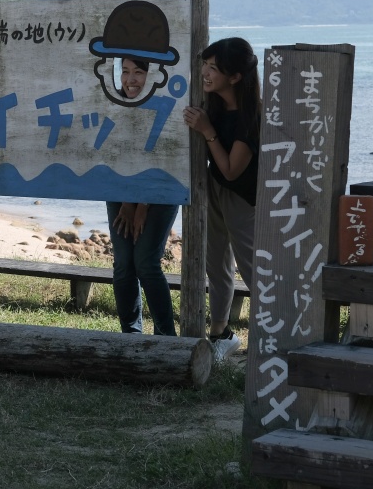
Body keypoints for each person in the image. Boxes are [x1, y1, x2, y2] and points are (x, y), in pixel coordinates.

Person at [182, 38, 260, 363]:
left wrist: (207, 131)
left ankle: (270, 337)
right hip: (213, 191)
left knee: (252, 268)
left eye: (213, 68)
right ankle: (220, 334)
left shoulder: (252, 115)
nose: (205, 72)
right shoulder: (210, 103)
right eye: (205, 65)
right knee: (216, 264)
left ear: (236, 77)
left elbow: (230, 170)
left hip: (244, 197)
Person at [106, 57, 179, 337]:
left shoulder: (164, 105)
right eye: (125, 72)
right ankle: (131, 335)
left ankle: (166, 337)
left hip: (160, 190)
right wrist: (127, 201)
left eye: (139, 72)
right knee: (124, 263)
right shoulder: (112, 103)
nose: (130, 79)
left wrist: (143, 203)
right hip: (121, 190)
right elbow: (114, 153)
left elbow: (163, 156)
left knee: (147, 263)